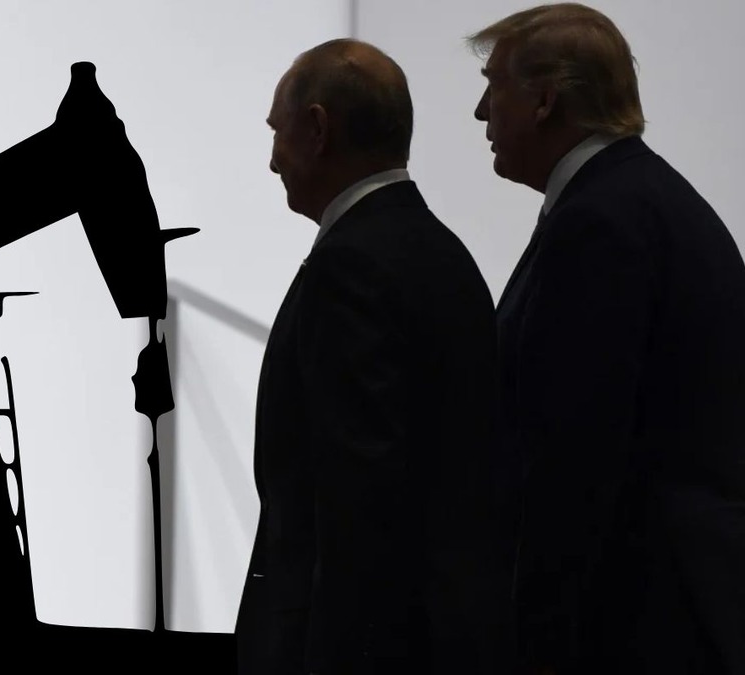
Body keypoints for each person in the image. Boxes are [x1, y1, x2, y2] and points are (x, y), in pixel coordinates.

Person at [467, 4, 745, 673]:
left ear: (543, 101)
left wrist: (533, 634)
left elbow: (572, 455)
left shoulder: (599, 222)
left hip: (630, 620)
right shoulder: (643, 198)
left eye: (494, 86)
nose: (480, 112)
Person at [235, 38, 516, 674]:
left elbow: (356, 503)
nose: (273, 160)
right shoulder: (442, 252)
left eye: (278, 131)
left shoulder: (349, 267)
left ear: (317, 129)